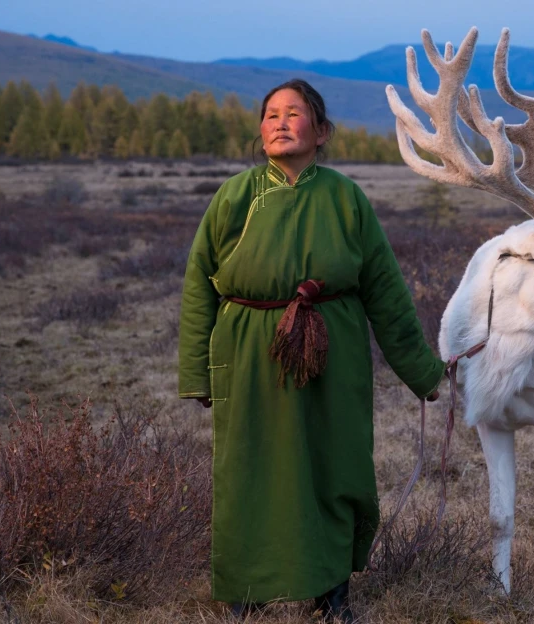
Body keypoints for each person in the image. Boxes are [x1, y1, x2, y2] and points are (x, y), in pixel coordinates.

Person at [177, 79, 444, 622]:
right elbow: (199, 284)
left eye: (293, 113)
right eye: (270, 114)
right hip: (250, 352)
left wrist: (425, 372)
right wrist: (199, 374)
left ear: (320, 132)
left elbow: (387, 293)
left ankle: (331, 595)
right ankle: (244, 594)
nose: (279, 122)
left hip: (333, 353)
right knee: (249, 469)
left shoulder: (346, 198)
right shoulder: (234, 196)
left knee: (335, 465)